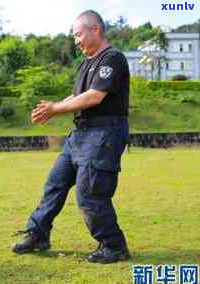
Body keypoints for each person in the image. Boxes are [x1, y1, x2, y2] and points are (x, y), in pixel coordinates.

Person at [12, 10, 131, 264]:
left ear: (95, 30)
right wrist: (53, 107)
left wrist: (56, 108)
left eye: (78, 34)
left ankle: (113, 245)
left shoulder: (113, 59)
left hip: (103, 133)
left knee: (91, 193)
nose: (76, 40)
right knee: (54, 184)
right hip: (80, 134)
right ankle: (38, 234)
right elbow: (78, 96)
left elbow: (94, 97)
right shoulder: (87, 62)